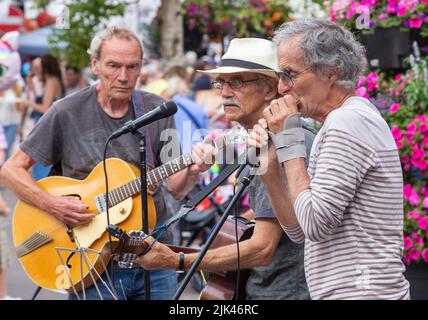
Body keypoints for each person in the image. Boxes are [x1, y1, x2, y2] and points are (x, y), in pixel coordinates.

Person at [0, 26, 215, 300]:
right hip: (91, 262)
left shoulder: (158, 110)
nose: (123, 76)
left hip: (155, 260)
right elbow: (11, 169)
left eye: (132, 66)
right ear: (95, 65)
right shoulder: (66, 112)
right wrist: (53, 205)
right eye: (113, 65)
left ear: (141, 67)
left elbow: (175, 188)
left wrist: (194, 170)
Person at [138, 38, 315, 300]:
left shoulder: (281, 142)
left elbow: (262, 248)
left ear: (269, 90)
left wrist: (175, 260)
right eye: (222, 83)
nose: (224, 92)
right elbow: (270, 219)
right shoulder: (262, 141)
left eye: (237, 82)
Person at [248, 19, 410, 300]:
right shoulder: (343, 120)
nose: (283, 88)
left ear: (331, 72)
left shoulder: (347, 122)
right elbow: (300, 231)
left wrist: (290, 139)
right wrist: (269, 167)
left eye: (290, 74)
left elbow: (314, 223)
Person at [18, 54, 65, 180]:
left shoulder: (51, 81)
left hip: (47, 128)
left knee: (40, 165)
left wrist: (27, 103)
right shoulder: (54, 80)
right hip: (51, 127)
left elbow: (45, 108)